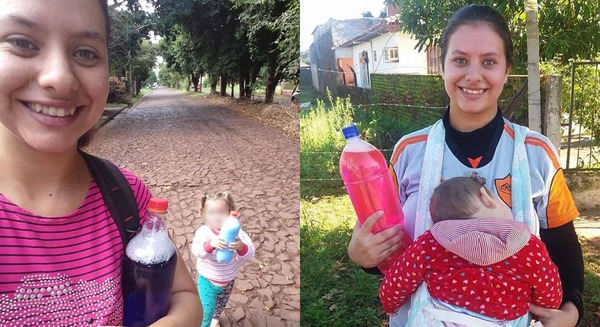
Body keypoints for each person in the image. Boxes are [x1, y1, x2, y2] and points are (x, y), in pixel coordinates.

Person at [347, 4, 583, 327]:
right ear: (442, 67)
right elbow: (387, 251)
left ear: (506, 69)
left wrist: (571, 312)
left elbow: (566, 250)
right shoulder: (408, 153)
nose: (473, 76)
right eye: (460, 60)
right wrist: (363, 257)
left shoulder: (537, 154)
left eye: (489, 61)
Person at [0, 1, 202, 326]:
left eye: (85, 53)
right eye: (22, 43)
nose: (60, 78)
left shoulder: (127, 194)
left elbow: (185, 298)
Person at [380, 176, 562, 326]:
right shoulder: (528, 247)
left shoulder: (431, 243)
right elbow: (549, 291)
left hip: (441, 319)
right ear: (486, 197)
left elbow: (399, 279)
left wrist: (390, 305)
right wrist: (545, 310)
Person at [191, 192, 255, 327]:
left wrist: (240, 246)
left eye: (221, 212)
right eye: (211, 213)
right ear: (202, 213)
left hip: (228, 280)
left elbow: (250, 254)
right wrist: (210, 245)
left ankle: (215, 319)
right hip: (207, 280)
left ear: (230, 213)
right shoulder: (203, 233)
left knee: (220, 305)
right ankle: (204, 324)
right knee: (206, 310)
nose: (216, 217)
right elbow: (196, 251)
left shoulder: (237, 233)